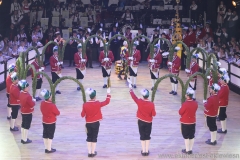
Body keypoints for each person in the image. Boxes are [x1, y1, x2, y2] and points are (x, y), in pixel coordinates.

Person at [81, 87, 111, 157]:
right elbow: (107, 102)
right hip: (96, 123)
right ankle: (93, 152)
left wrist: (84, 107)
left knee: (89, 137)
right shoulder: (97, 103)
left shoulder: (85, 104)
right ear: (95, 96)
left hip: (88, 123)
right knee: (94, 137)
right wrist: (108, 94)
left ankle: (89, 152)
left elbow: (82, 115)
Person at [128, 84, 156, 156]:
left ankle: (143, 151)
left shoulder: (140, 101)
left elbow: (134, 97)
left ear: (143, 96)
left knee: (142, 135)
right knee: (148, 135)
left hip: (140, 121)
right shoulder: (151, 104)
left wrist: (131, 90)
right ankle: (147, 150)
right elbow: (154, 114)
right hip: (148, 122)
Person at [40, 89, 60, 153]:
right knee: (50, 135)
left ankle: (46, 148)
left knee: (45, 134)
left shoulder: (42, 103)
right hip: (51, 122)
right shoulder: (52, 105)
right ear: (49, 97)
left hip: (44, 121)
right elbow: (57, 113)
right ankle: (49, 149)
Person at [179, 88, 198, 154]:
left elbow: (180, 112)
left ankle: (187, 150)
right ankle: (190, 149)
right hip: (192, 121)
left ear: (187, 95)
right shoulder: (195, 103)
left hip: (185, 122)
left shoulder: (185, 104)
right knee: (192, 136)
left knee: (186, 136)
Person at [19, 80, 36, 144]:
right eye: (28, 87)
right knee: (26, 126)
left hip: (23, 111)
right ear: (25, 88)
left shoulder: (21, 93)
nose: (28, 88)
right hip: (28, 112)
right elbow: (31, 104)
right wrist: (34, 101)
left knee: (23, 125)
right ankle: (25, 139)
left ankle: (23, 138)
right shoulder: (27, 96)